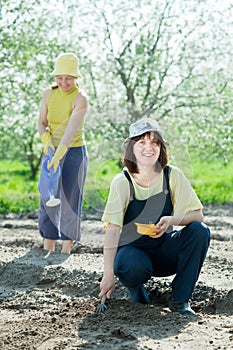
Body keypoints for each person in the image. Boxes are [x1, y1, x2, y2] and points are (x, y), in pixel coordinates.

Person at [99, 118, 210, 315]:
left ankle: (180, 300)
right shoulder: (122, 182)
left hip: (163, 250)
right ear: (132, 148)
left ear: (161, 148)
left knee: (199, 231)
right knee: (130, 266)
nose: (148, 148)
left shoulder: (172, 175)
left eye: (154, 142)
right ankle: (135, 289)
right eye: (142, 142)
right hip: (133, 254)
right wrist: (108, 275)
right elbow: (113, 230)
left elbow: (198, 215)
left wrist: (173, 220)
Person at [38, 52, 88, 254]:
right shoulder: (48, 94)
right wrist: (46, 141)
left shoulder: (80, 99)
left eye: (68, 78)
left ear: (76, 77)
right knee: (48, 196)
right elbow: (42, 122)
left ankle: (66, 249)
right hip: (51, 151)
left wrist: (60, 154)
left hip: (74, 152)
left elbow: (70, 131)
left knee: (70, 198)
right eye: (60, 77)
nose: (64, 82)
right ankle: (47, 247)